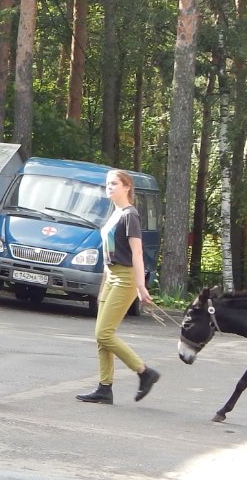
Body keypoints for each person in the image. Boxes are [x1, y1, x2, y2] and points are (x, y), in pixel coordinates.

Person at [76, 169, 160, 405]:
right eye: (107, 184)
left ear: (127, 187)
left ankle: (145, 372)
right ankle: (104, 388)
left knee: (104, 333)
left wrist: (140, 286)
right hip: (111, 276)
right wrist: (103, 283)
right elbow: (108, 253)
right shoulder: (115, 214)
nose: (109, 187)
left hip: (125, 278)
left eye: (114, 184)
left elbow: (137, 252)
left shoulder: (130, 215)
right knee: (101, 336)